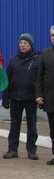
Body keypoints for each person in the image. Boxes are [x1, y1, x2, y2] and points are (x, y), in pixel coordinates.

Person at [2, 33, 41, 160]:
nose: (23, 45)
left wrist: (40, 96)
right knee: (14, 125)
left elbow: (40, 79)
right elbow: (7, 79)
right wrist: (5, 97)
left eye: (25, 43)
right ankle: (12, 149)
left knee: (32, 125)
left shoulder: (38, 59)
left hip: (31, 98)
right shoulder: (13, 60)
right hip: (15, 97)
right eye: (21, 43)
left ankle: (32, 150)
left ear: (30, 45)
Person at [36, 25, 54, 166]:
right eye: (52, 35)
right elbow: (40, 77)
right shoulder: (45, 54)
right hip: (50, 98)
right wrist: (39, 94)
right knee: (53, 129)